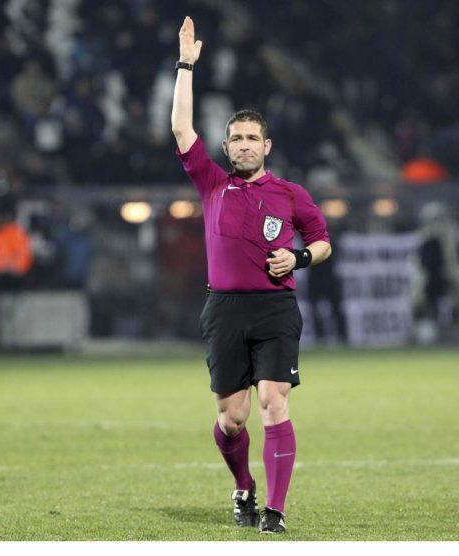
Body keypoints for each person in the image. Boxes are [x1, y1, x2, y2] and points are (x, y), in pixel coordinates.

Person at [171, 16, 332, 534]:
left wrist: (299, 259)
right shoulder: (212, 186)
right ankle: (243, 485)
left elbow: (322, 241)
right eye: (236, 138)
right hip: (224, 308)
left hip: (275, 307)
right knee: (231, 418)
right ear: (226, 147)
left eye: (252, 138)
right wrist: (186, 66)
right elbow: (181, 129)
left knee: (273, 403)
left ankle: (275, 511)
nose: (243, 145)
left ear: (267, 146)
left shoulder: (290, 194)